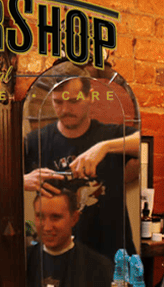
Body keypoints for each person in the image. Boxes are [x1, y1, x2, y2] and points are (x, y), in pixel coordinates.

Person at [24, 74, 139, 262]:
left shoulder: (110, 134)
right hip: (62, 257)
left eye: (74, 101)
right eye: (58, 102)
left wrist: (104, 147)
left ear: (90, 97)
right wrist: (22, 180)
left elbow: (144, 143)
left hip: (115, 254)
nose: (66, 109)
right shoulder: (37, 141)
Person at [26, 189, 114, 287]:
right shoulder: (23, 261)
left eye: (55, 217)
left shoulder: (99, 267)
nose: (47, 227)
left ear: (74, 218)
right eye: (40, 217)